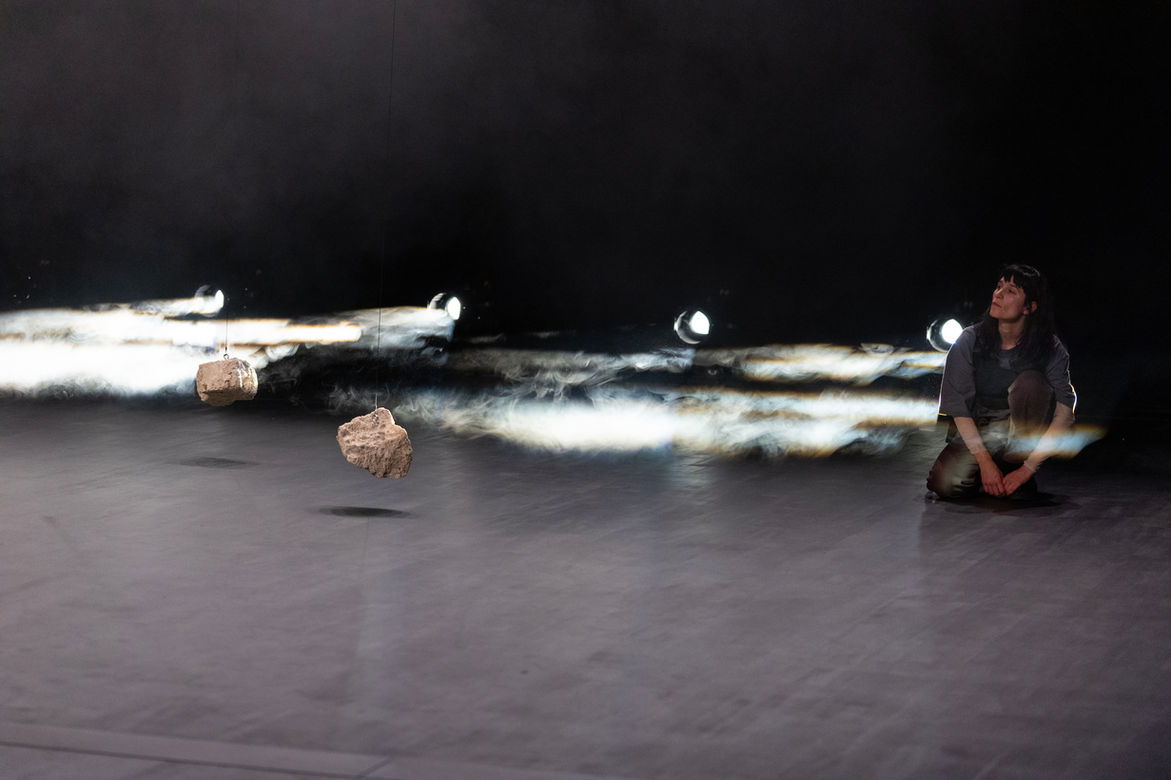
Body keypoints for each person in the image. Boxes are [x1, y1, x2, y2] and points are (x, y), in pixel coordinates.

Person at [927, 264, 1076, 498]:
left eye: (1011, 291)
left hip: (1017, 432)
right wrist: (985, 463)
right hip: (979, 429)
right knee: (944, 485)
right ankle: (992, 474)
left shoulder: (1050, 347)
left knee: (1031, 383)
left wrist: (1027, 469)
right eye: (998, 287)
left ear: (1029, 307)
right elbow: (959, 409)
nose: (998, 294)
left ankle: (1012, 466)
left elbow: (1065, 413)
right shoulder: (969, 340)